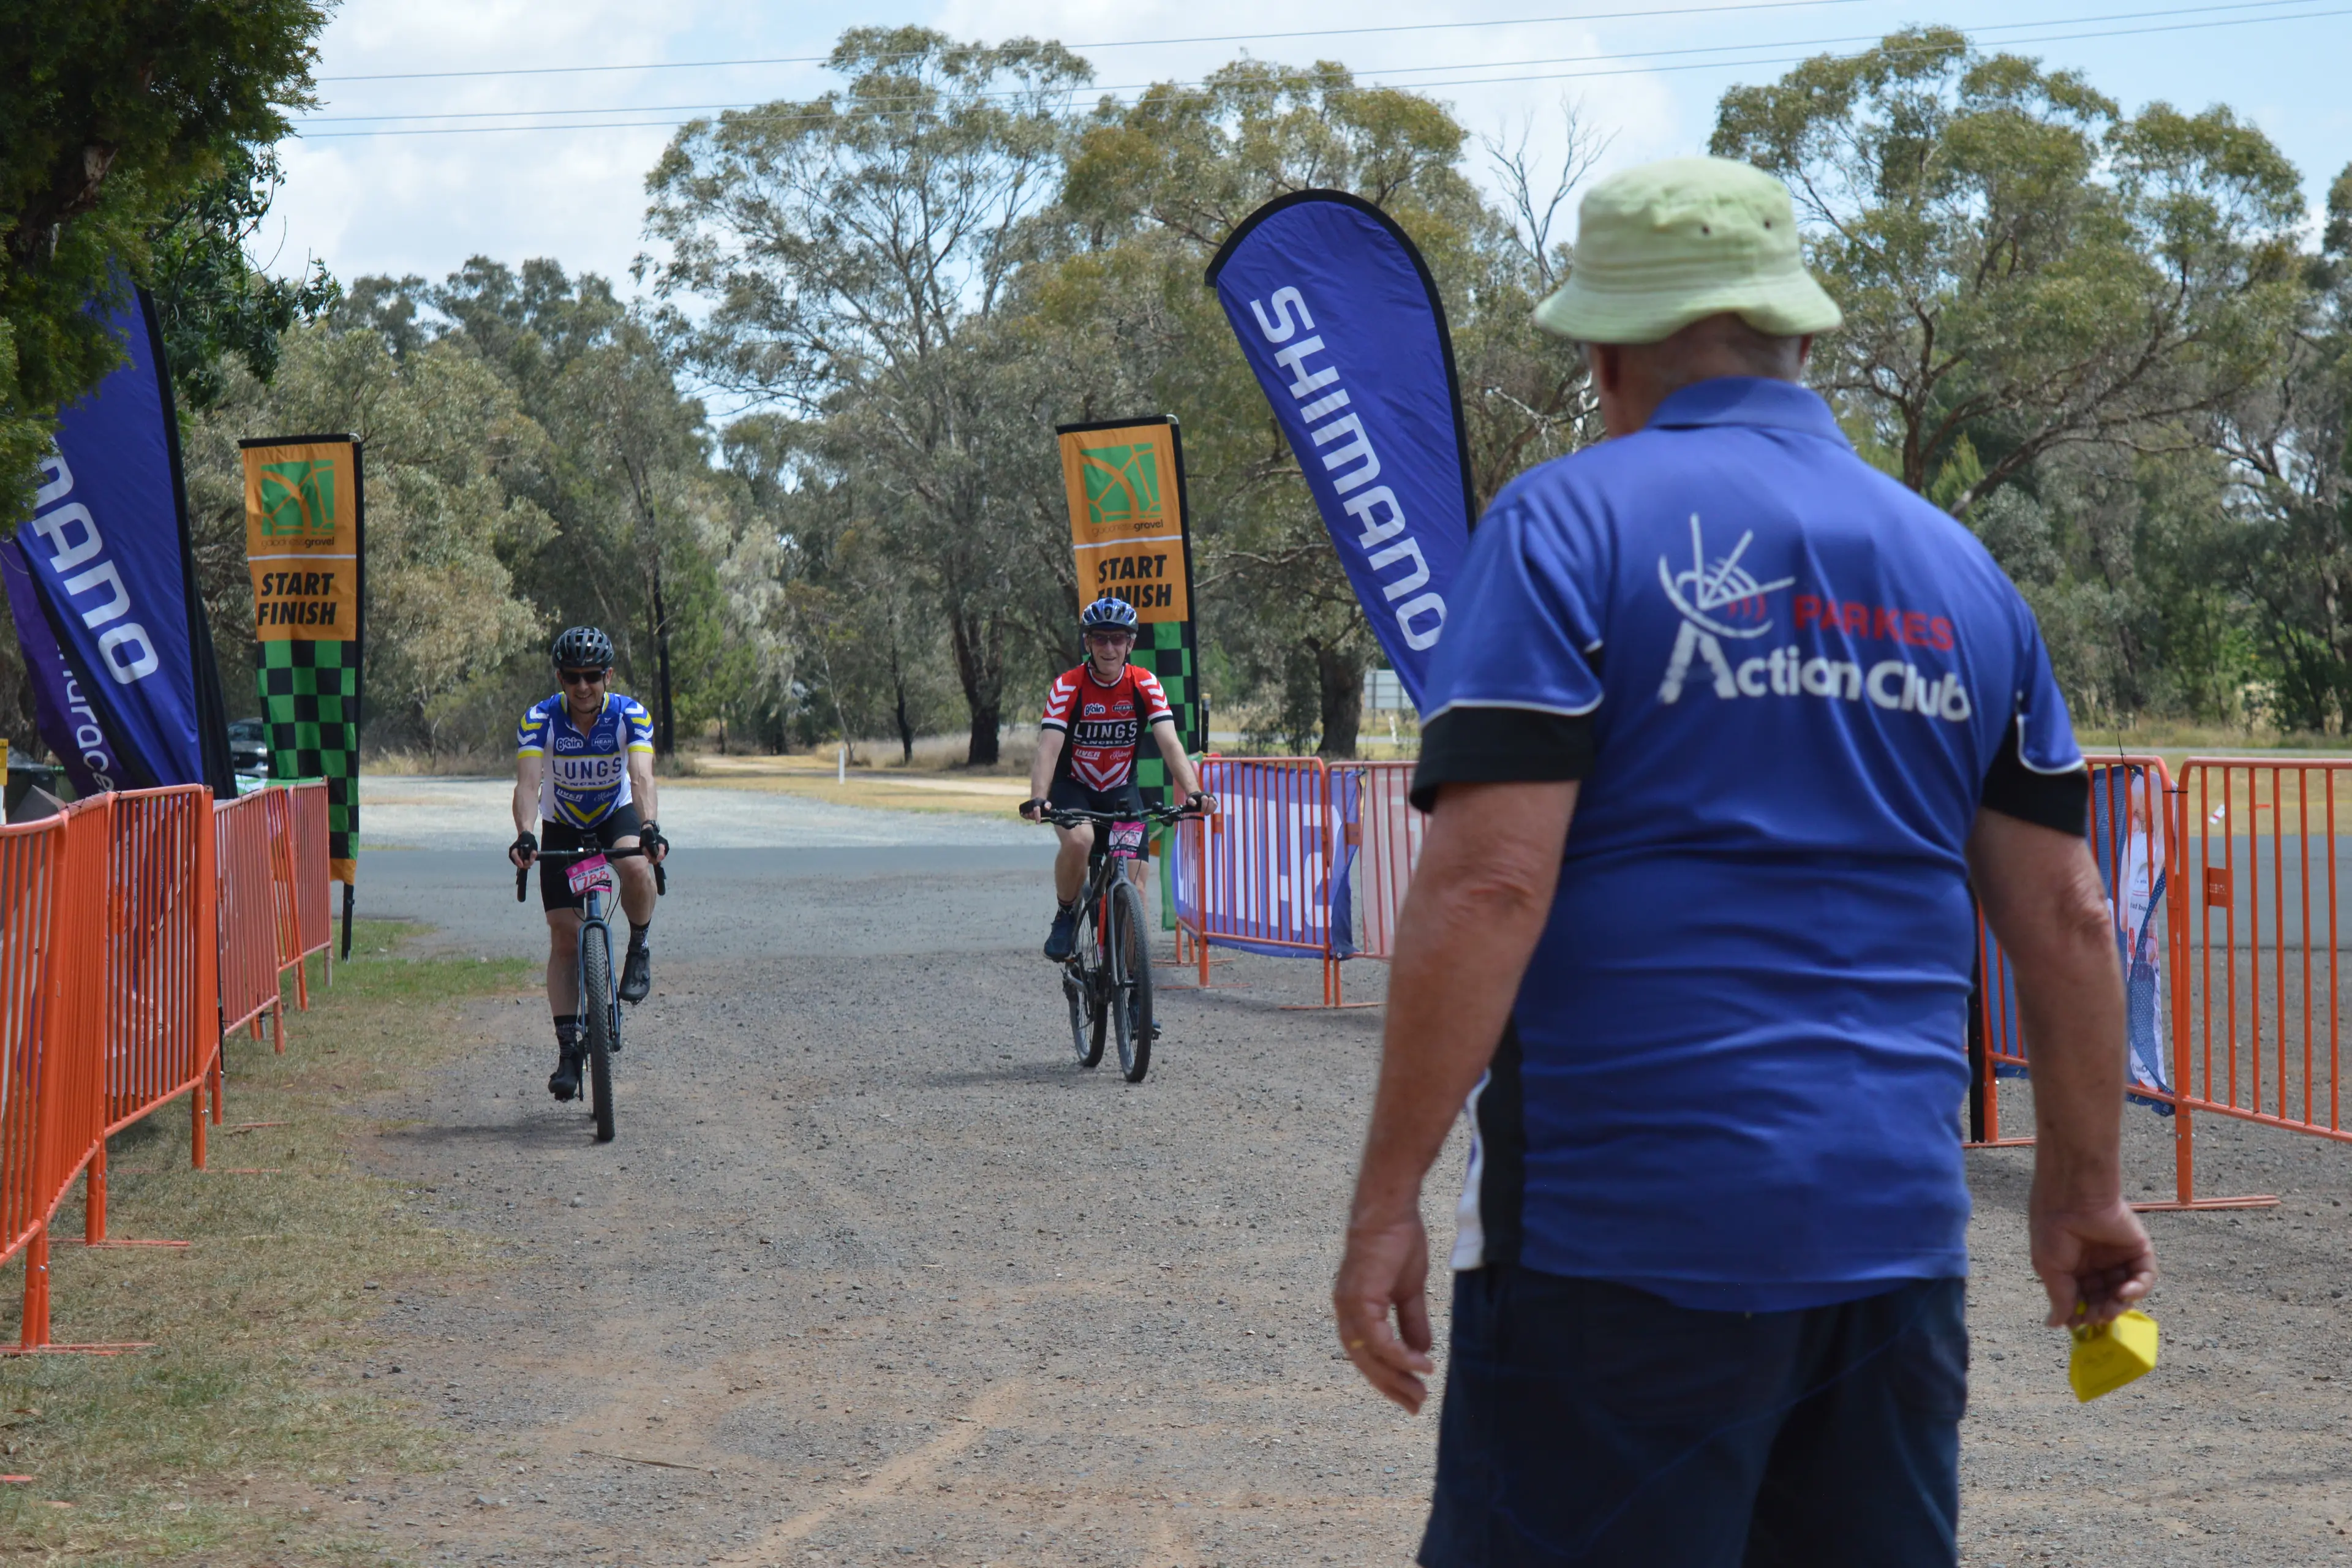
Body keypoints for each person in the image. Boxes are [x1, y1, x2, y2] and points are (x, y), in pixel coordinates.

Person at [1329, 157, 2157, 1567]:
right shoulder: (1961, 569)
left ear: (1600, 351)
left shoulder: (1565, 523)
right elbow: (2069, 918)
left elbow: (1487, 884)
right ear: (1803, 340)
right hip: (1891, 1253)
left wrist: (1383, 1197)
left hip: (1618, 1243)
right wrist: (2081, 1191)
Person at [507, 627, 669, 1102]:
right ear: (560, 677)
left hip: (612, 815)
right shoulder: (539, 719)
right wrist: (524, 834)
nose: (583, 686)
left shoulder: (630, 714)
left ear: (608, 676)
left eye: (593, 676)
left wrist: (650, 827)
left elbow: (642, 777)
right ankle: (567, 1052)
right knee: (563, 936)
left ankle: (638, 945)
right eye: (574, 677)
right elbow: (528, 785)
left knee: (638, 868)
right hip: (562, 823)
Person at [1020, 596, 1212, 962]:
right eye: (1100, 638)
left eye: (1118, 638)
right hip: (1072, 786)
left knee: (1136, 890)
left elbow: (1171, 743)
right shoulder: (1067, 686)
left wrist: (1195, 791)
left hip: (1121, 791)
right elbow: (1048, 748)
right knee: (1081, 841)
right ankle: (1066, 913)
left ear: (1130, 643)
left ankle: (1136, 998)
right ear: (1087, 643)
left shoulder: (1145, 684)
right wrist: (1039, 797)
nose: (1110, 647)